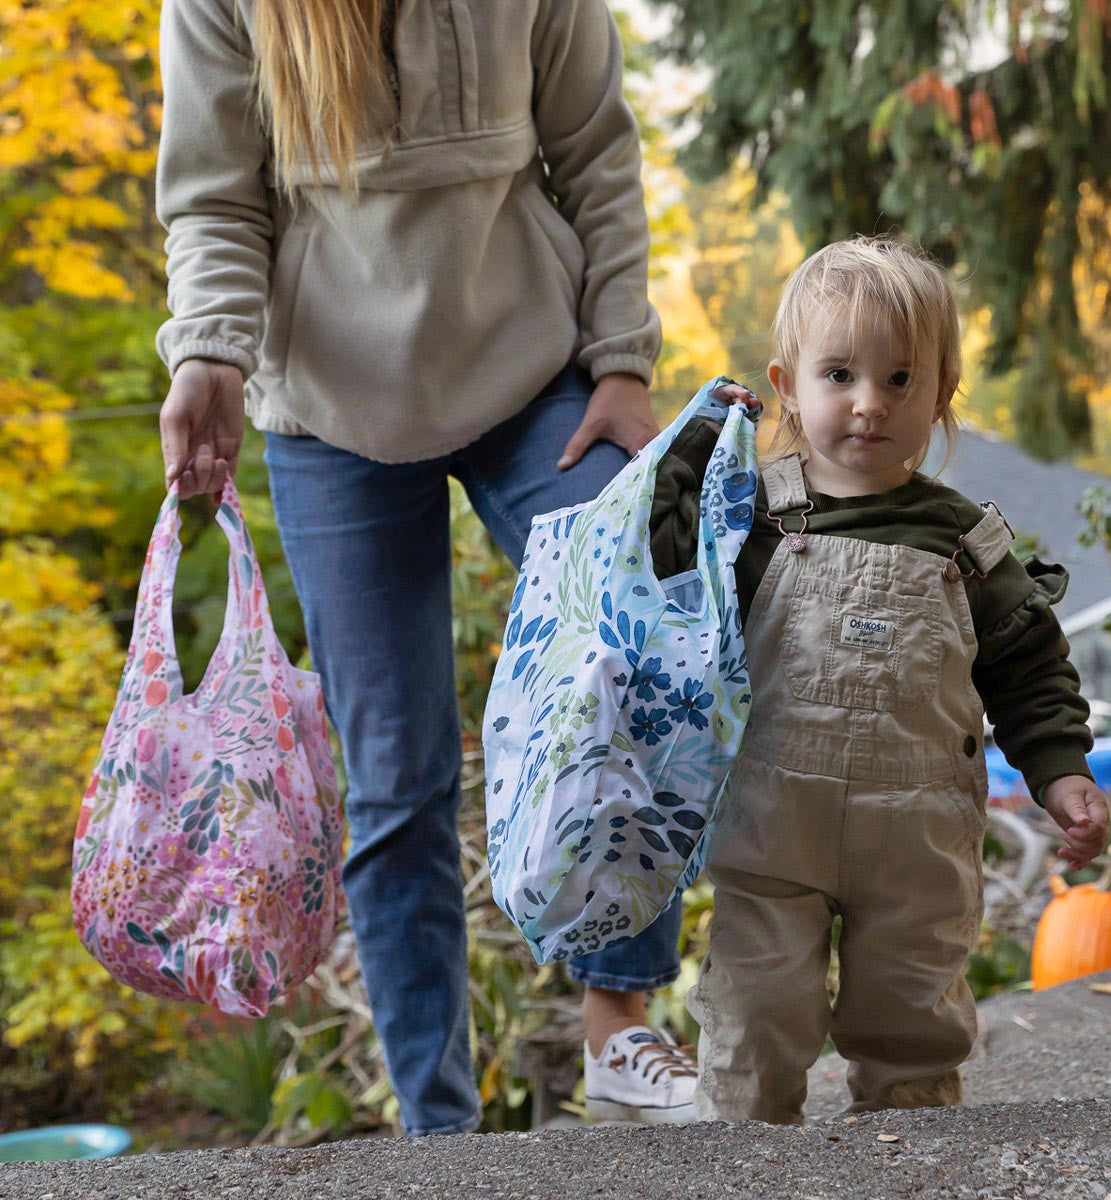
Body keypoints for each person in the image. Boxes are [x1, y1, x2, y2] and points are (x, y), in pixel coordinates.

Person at [154, 0, 695, 1135]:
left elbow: (597, 151)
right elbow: (215, 199)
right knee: (396, 780)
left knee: (633, 631)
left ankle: (618, 1020)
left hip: (534, 370)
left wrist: (622, 361)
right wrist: (208, 350)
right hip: (330, 409)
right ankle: (438, 1136)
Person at [648, 236, 1109, 1123]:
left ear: (942, 393)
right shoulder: (748, 518)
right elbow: (659, 573)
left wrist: (1061, 771)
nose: (870, 402)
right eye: (839, 375)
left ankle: (909, 1157)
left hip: (917, 842)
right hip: (772, 830)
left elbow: (1028, 666)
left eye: (901, 379)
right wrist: (693, 448)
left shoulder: (965, 542)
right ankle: (745, 1164)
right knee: (754, 1012)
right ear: (787, 386)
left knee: (913, 1019)